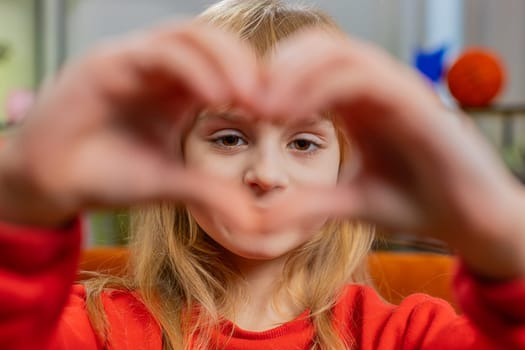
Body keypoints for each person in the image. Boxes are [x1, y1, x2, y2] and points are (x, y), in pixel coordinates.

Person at [1, 0, 525, 349]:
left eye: (303, 142)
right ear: (173, 152)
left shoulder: (411, 337)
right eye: (229, 138)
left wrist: (501, 231)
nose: (266, 175)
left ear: (345, 163)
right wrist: (24, 196)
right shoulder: (88, 331)